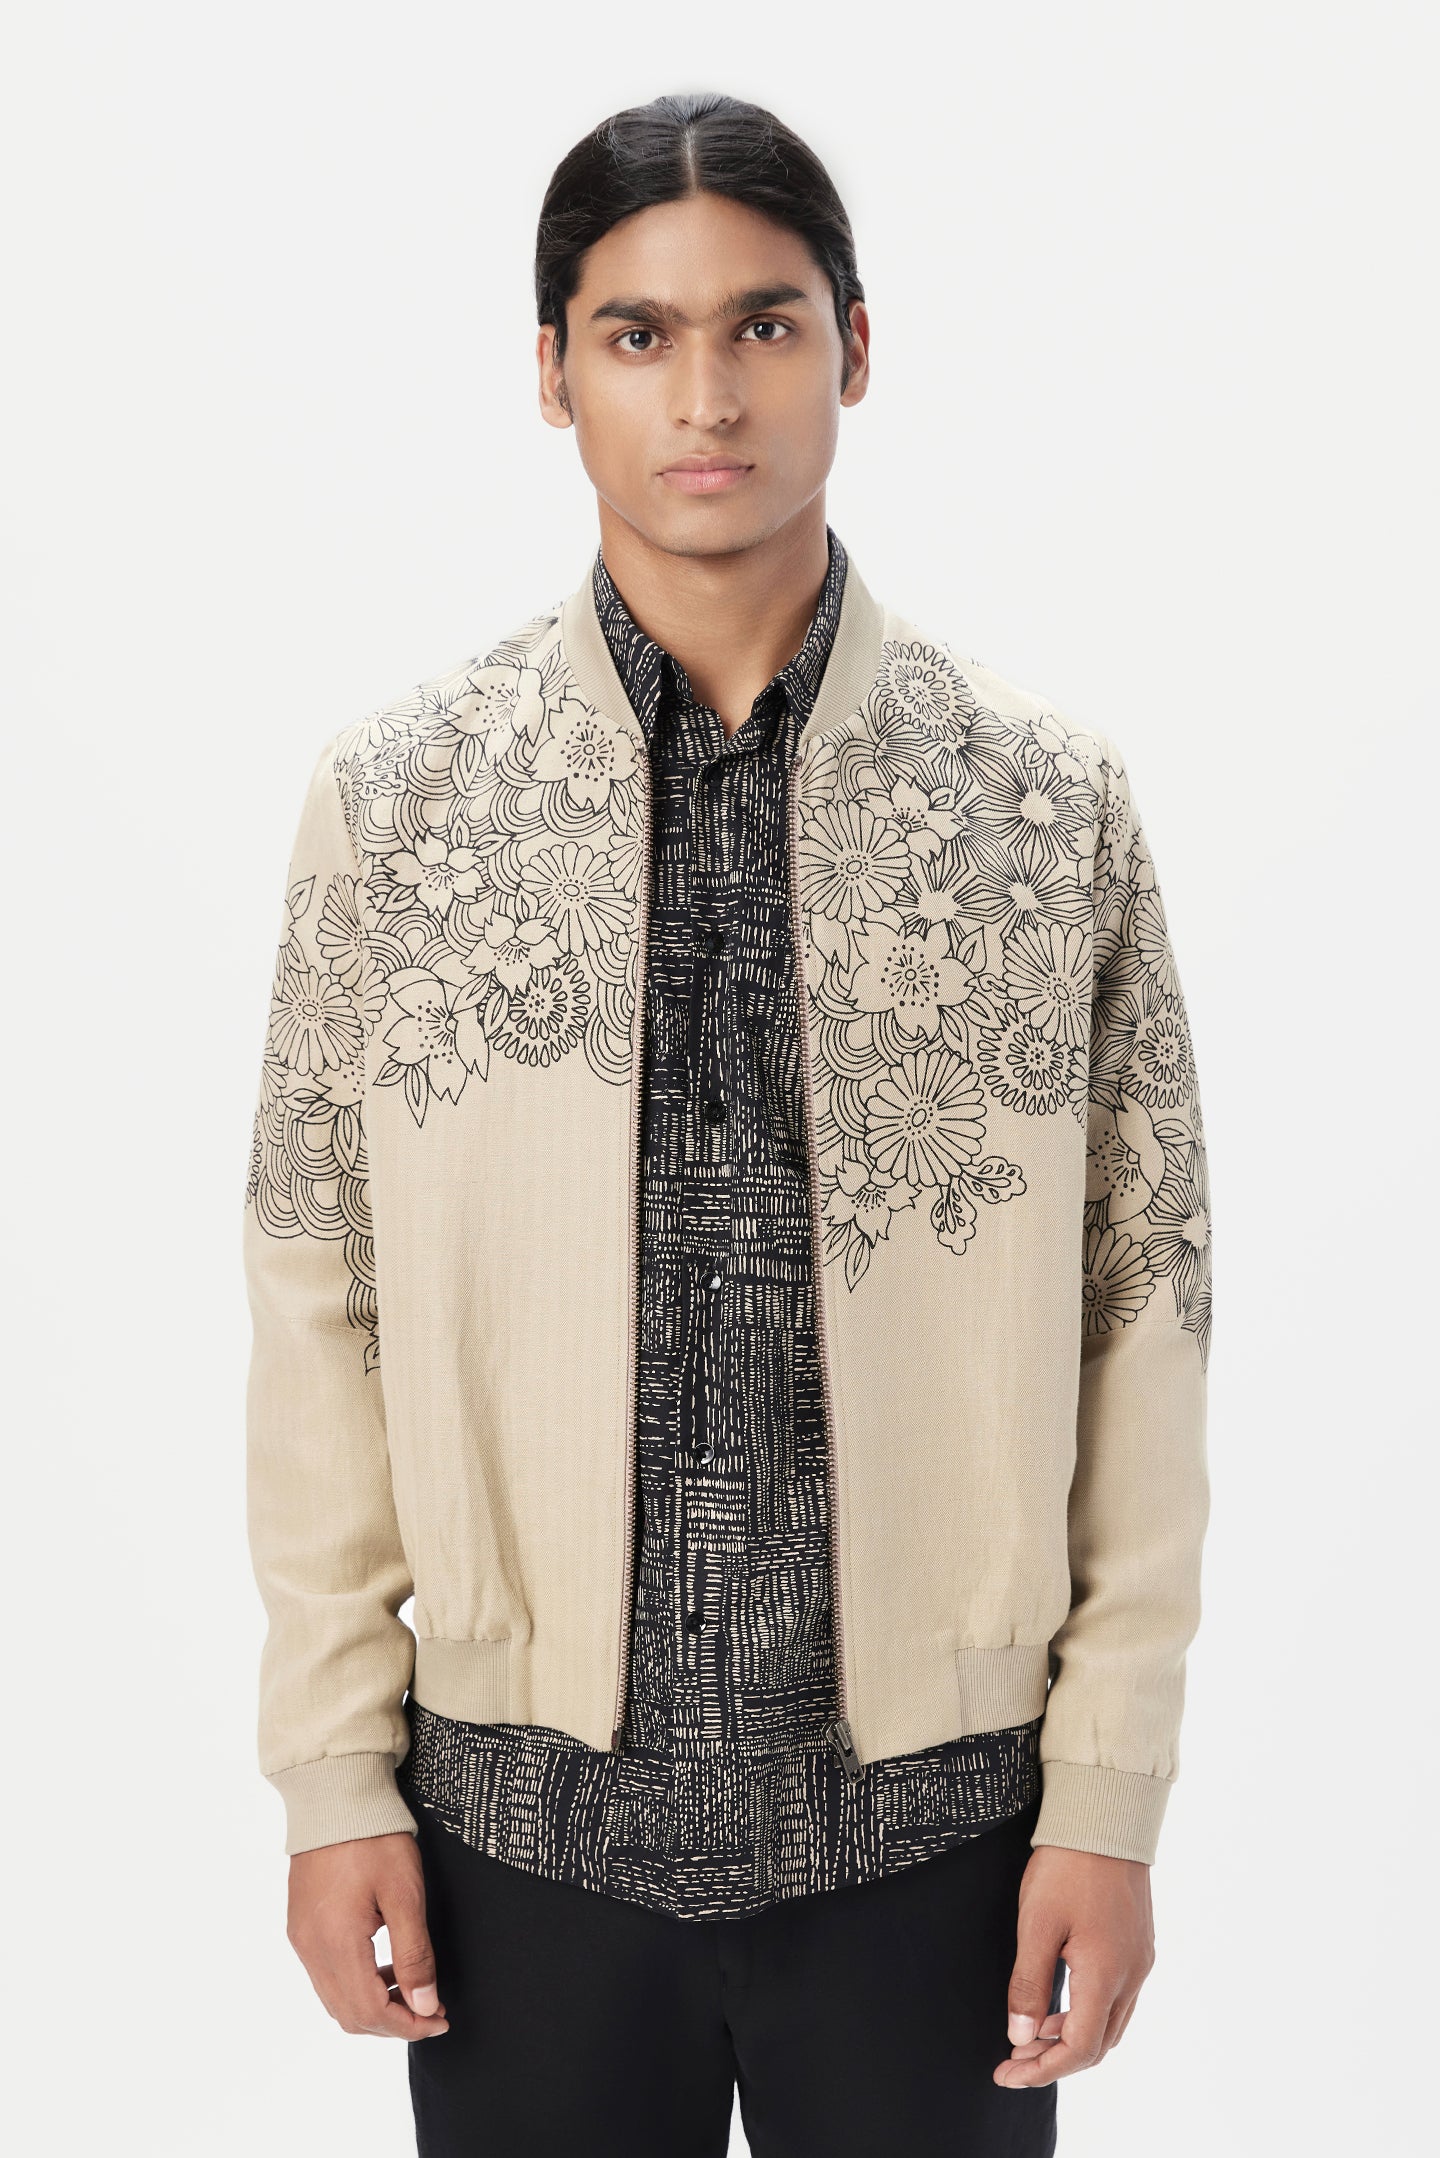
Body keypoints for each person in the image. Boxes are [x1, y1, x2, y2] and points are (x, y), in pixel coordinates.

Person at [244, 89, 1212, 2158]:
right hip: (515, 1841)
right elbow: (319, 1292)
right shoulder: (401, 808)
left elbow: (1145, 1310)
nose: (707, 395)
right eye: (639, 333)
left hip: (944, 1840)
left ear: (854, 348)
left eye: (764, 326)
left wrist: (1110, 1795)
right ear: (553, 371)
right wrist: (333, 1773)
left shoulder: (1043, 811)